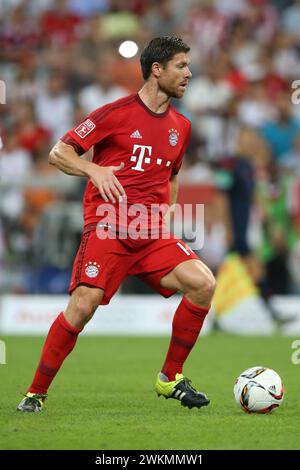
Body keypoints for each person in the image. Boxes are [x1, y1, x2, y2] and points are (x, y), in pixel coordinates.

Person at [17, 36, 216, 413]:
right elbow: (58, 152)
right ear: (156, 70)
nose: (189, 74)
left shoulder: (182, 127)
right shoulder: (115, 114)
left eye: (189, 66)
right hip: (109, 227)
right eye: (181, 66)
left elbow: (172, 176)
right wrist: (92, 169)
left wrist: (167, 213)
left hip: (152, 232)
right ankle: (35, 392)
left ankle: (170, 378)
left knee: (203, 284)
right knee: (84, 304)